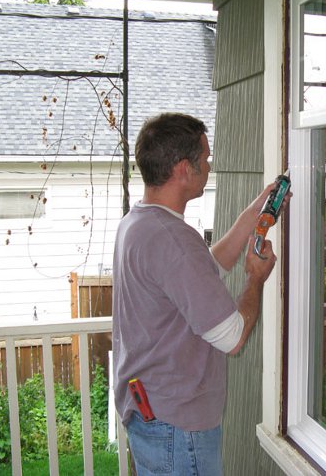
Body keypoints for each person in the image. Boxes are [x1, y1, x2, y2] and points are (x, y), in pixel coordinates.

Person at [112, 112, 287, 475]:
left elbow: (204, 270)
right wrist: (255, 278)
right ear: (183, 169)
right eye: (205, 158)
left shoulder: (140, 223)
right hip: (178, 428)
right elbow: (232, 337)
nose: (209, 164)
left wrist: (257, 210)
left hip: (151, 415)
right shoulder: (173, 240)